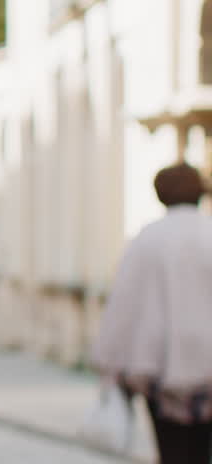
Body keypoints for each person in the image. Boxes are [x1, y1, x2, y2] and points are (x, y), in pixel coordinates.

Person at [91, 162, 212, 463]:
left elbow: (124, 306)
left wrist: (110, 366)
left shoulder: (147, 239)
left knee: (173, 451)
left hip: (162, 370)